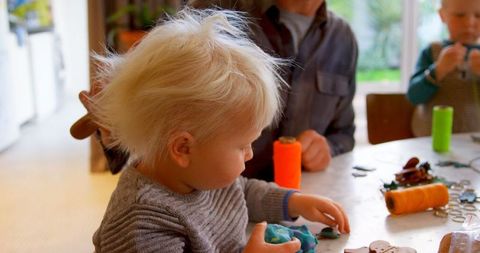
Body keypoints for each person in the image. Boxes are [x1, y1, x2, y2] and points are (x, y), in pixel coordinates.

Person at [86, 8, 349, 252]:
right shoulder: (142, 223)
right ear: (183, 148)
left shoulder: (201, 172)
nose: (249, 154)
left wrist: (294, 202)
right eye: (242, 145)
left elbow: (242, 192)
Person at [71, 0, 358, 179]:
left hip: (295, 201)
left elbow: (344, 133)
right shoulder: (211, 14)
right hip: (204, 212)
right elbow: (150, 131)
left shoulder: (343, 39)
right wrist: (115, 128)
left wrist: (328, 147)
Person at [407, 0, 480, 137]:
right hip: (431, 141)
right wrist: (438, 70)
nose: (469, 22)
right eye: (459, 15)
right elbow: (413, 96)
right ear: (442, 15)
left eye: (478, 15)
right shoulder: (432, 51)